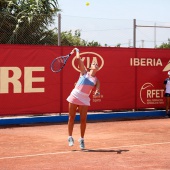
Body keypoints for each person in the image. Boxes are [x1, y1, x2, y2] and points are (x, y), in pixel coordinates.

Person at [66, 48, 100, 149]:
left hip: (84, 99)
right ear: (90, 67)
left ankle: (81, 139)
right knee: (71, 117)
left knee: (83, 120)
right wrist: (77, 50)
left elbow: (97, 89)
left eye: (97, 64)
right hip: (75, 95)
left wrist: (97, 92)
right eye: (94, 64)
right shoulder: (84, 72)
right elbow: (78, 59)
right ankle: (70, 137)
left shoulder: (96, 80)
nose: (96, 64)